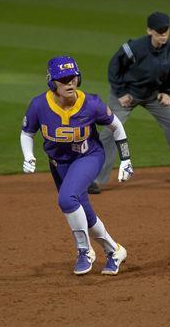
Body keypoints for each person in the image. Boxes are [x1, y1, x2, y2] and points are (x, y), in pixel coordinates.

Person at [20, 55, 134, 276]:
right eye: (64, 79)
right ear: (52, 82)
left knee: (66, 199)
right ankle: (115, 251)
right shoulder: (39, 105)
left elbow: (116, 127)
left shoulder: (90, 103)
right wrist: (28, 155)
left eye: (73, 77)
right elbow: (27, 132)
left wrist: (126, 159)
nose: (70, 82)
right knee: (84, 212)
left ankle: (84, 251)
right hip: (59, 164)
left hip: (88, 157)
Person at [88, 11, 170, 195]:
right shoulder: (133, 48)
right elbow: (114, 68)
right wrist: (120, 92)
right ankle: (92, 179)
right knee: (111, 130)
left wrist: (167, 91)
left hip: (153, 96)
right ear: (149, 31)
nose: (163, 34)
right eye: (159, 31)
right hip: (126, 95)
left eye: (166, 30)